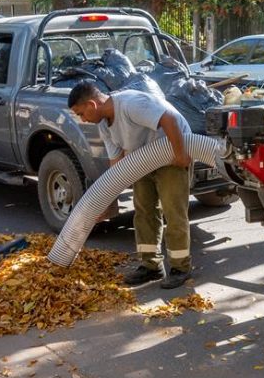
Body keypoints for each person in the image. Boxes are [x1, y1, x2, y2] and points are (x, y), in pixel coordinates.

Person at [68, 80, 193, 289]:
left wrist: (181, 155)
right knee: (144, 210)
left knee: (173, 211)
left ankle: (181, 267)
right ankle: (151, 266)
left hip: (172, 152)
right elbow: (117, 167)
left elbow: (169, 119)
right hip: (141, 159)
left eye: (81, 113)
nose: (82, 119)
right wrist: (107, 203)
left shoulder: (131, 104)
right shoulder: (104, 125)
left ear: (92, 105)